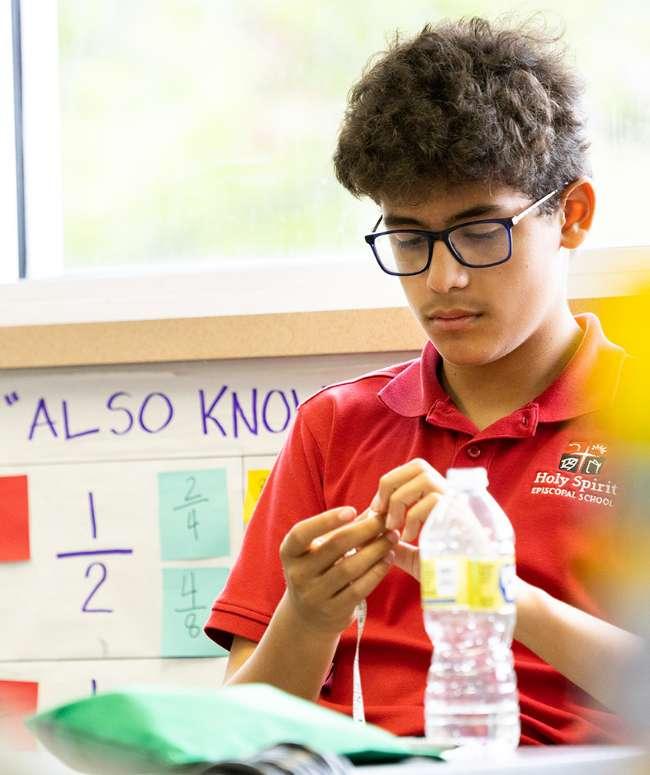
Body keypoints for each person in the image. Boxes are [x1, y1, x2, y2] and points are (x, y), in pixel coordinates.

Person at [204, 16, 643, 744]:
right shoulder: (335, 426)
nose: (444, 278)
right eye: (410, 238)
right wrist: (309, 615)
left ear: (571, 215)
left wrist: (497, 592)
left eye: (480, 232)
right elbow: (234, 734)